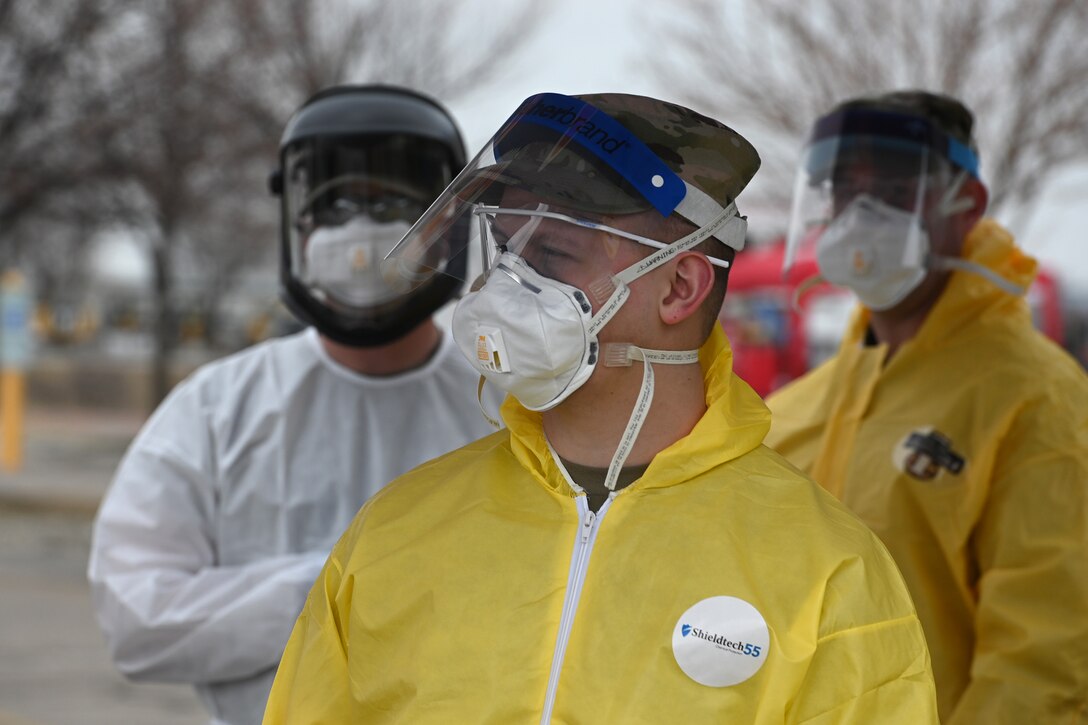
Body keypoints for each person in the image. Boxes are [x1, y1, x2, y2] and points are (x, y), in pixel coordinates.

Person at [263, 92, 939, 723]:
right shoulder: (394, 535)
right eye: (506, 246)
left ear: (680, 285)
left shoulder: (828, 574)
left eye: (553, 251)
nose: (507, 284)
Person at [87, 84, 501, 725]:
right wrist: (338, 586)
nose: (361, 232)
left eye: (393, 203)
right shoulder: (217, 410)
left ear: (446, 226)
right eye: (332, 205)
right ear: (297, 224)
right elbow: (136, 619)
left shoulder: (509, 407)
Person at [765, 90, 1088, 724]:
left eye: (890, 189)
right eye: (843, 190)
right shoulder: (798, 406)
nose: (860, 215)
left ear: (965, 206)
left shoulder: (1035, 398)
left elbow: (1045, 660)